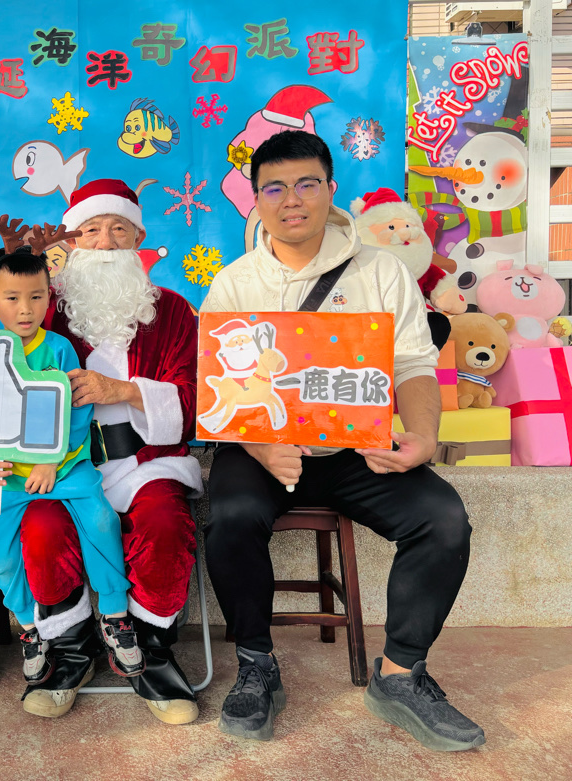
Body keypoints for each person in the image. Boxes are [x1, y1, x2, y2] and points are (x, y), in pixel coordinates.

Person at [200, 131, 483, 751]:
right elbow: (223, 388)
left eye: (307, 184)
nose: (292, 200)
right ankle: (256, 665)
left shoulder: (381, 271)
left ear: (330, 189)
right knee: (231, 515)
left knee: (442, 519)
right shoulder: (234, 283)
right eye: (274, 188)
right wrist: (261, 448)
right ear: (256, 200)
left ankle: (401, 673)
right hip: (266, 450)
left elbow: (413, 365)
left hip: (357, 450)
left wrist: (423, 438)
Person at [20, 179, 204, 724]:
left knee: (165, 520)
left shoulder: (173, 310)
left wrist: (122, 391)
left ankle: (149, 651)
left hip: (147, 460)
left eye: (118, 229)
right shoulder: (44, 310)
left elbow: (195, 398)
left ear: (138, 238)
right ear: (71, 242)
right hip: (64, 463)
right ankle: (72, 651)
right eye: (90, 231)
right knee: (42, 527)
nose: (104, 243)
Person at [0, 247, 145, 691]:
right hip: (8, 479)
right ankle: (29, 627)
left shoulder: (59, 349)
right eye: (12, 298)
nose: (25, 309)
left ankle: (115, 616)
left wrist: (52, 460)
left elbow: (77, 411)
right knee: (1, 556)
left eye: (36, 297)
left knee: (102, 521)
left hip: (66, 469)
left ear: (49, 298)